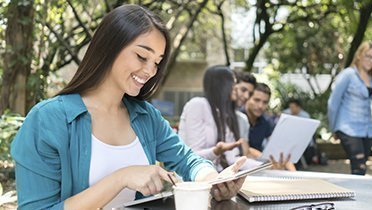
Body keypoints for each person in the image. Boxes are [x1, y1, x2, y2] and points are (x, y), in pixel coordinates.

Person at [11, 5, 246, 210]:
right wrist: (121, 177)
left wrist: (214, 180)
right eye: (142, 57)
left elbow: (188, 161)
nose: (150, 71)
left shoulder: (145, 116)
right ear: (109, 47)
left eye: (157, 62)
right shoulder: (48, 120)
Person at [178, 66, 262, 171]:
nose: (235, 88)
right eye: (233, 83)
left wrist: (264, 166)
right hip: (192, 179)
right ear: (221, 85)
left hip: (216, 177)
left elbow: (232, 159)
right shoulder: (198, 105)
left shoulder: (226, 115)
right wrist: (216, 151)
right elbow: (193, 156)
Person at [327, 41, 372, 175]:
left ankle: (358, 194)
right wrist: (333, 128)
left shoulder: (371, 77)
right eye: (367, 56)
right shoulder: (348, 74)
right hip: (348, 127)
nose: (371, 60)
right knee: (359, 167)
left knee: (361, 168)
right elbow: (333, 103)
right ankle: (356, 196)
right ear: (359, 56)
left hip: (367, 129)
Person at [244, 83, 296, 171]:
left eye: (265, 102)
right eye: (256, 100)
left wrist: (294, 174)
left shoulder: (266, 121)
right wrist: (268, 160)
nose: (260, 106)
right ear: (247, 98)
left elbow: (280, 147)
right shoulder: (237, 117)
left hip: (259, 167)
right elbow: (246, 149)